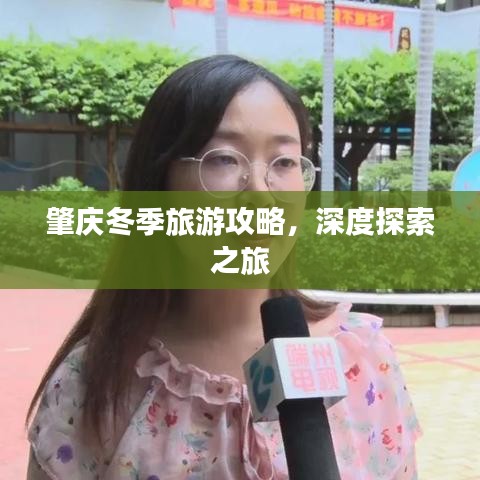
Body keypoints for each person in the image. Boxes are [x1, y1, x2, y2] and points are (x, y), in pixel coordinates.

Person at [26, 54, 421, 479]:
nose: (261, 196)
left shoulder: (365, 361)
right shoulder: (93, 384)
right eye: (224, 159)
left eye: (284, 162)